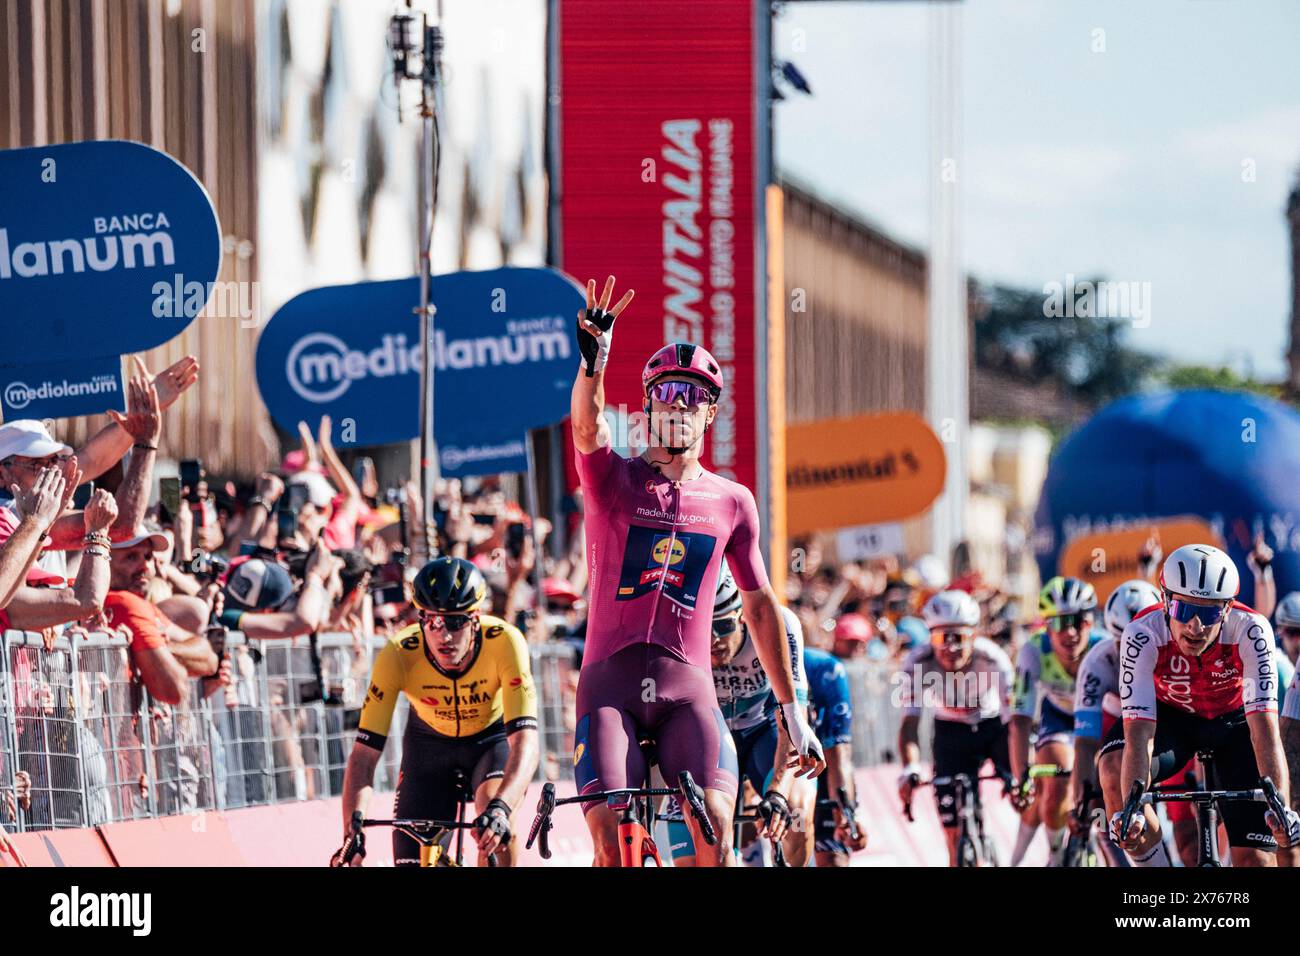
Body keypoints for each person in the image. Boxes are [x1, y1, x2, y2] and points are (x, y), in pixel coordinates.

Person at [569, 276, 822, 867]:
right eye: (666, 394)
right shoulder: (615, 479)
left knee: (716, 837)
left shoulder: (733, 501)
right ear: (650, 405)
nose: (677, 406)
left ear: (710, 411)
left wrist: (794, 714)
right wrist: (594, 364)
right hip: (610, 691)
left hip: (688, 693)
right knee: (613, 846)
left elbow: (761, 609)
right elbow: (587, 425)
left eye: (692, 396)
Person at [1102, 544, 1300, 866]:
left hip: (1236, 724)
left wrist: (1281, 806)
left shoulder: (1252, 630)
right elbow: (1138, 732)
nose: (1195, 626)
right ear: (1166, 601)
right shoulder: (1141, 633)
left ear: (1226, 609)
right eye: (1184, 610)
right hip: (1172, 719)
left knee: (1256, 861)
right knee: (1112, 769)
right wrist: (1133, 810)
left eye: (1208, 613)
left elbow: (1264, 728)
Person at [338, 557, 539, 867]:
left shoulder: (506, 643)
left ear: (475, 619)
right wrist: (352, 829)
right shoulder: (398, 653)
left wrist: (502, 808)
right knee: (411, 860)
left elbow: (526, 743)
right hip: (428, 748)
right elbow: (364, 754)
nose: (444, 635)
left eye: (456, 622)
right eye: (433, 621)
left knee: (495, 828)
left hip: (490, 741)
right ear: (421, 621)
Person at [668, 563, 808, 866]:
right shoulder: (678, 634)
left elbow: (793, 719)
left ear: (744, 617)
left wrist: (778, 793)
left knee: (796, 813)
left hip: (762, 730)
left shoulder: (779, 625)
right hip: (707, 737)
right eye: (704, 629)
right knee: (698, 855)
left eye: (724, 626)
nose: (713, 640)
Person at [896, 589, 1014, 867]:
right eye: (941, 638)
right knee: (951, 830)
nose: (950, 647)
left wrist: (1020, 772)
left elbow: (1015, 722)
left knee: (1021, 785)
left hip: (992, 728)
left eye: (958, 637)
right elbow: (910, 722)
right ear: (930, 639)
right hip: (949, 733)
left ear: (973, 636)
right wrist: (909, 768)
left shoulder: (994, 658)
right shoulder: (917, 662)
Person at [1007, 576, 1104, 866]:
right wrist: (1021, 775)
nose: (1070, 632)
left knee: (1102, 787)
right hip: (1059, 716)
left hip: (1101, 717)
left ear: (1091, 622)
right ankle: (1056, 856)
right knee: (1056, 778)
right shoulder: (1033, 651)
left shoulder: (1105, 647)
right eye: (1060, 623)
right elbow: (1020, 719)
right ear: (1047, 627)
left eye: (1079, 621)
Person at [1070, 578, 1161, 867]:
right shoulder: (1098, 662)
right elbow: (1085, 743)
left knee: (1187, 837)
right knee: (1103, 782)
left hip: (1168, 720)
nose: (1133, 650)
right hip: (1119, 721)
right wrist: (1081, 800)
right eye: (1124, 643)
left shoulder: (1177, 649)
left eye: (1142, 639)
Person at [104, 527, 222, 706]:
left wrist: (159, 649)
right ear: (105, 562)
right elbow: (175, 691)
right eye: (131, 557)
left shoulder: (142, 605)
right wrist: (155, 653)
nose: (145, 566)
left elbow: (209, 658)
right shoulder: (124, 602)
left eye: (148, 557)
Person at [805, 643, 866, 867]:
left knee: (833, 860)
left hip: (821, 762)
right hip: (769, 759)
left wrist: (847, 816)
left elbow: (839, 757)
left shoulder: (826, 670)